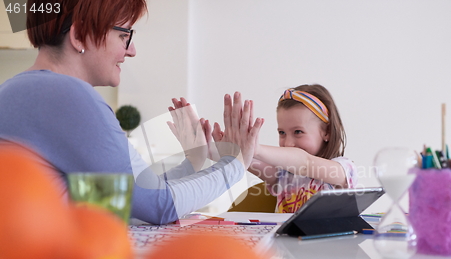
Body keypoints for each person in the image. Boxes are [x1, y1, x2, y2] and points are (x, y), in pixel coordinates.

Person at [0, 0, 262, 224]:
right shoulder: (67, 95)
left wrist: (193, 162)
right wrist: (236, 163)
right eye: (124, 36)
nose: (132, 50)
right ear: (79, 36)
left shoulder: (16, 89)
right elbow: (160, 206)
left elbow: (123, 201)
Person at [245, 84, 357, 213]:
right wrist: (229, 147)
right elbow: (244, 158)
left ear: (327, 131)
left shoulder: (344, 170)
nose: (288, 143)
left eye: (298, 132)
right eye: (282, 133)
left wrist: (256, 149)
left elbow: (305, 163)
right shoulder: (285, 174)